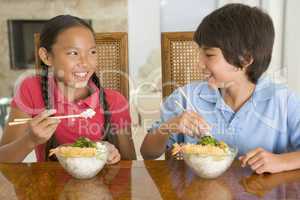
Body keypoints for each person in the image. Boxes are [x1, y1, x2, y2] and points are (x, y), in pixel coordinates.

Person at [141, 3, 300, 174]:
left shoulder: (284, 102)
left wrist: (281, 161)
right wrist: (171, 125)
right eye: (200, 53)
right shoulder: (185, 98)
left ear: (245, 59)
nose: (199, 63)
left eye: (209, 55)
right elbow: (148, 153)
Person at [0, 15, 136, 163]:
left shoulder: (115, 101)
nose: (84, 62)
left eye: (92, 52)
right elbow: (3, 162)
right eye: (73, 53)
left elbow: (130, 165)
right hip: (50, 184)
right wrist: (29, 140)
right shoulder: (31, 89)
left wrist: (112, 156)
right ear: (46, 57)